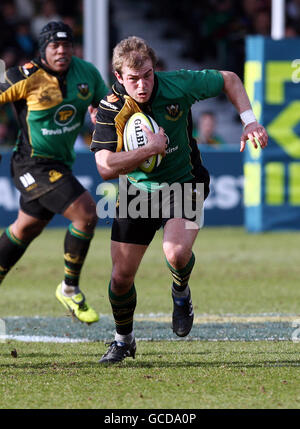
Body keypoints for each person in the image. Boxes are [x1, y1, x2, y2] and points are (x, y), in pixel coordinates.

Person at [91, 36, 268, 364]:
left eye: (147, 75)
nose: (142, 85)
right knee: (120, 277)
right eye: (133, 79)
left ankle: (180, 291)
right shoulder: (111, 108)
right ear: (119, 78)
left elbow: (228, 78)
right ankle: (123, 339)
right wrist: (149, 149)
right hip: (138, 192)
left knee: (176, 253)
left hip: (184, 183)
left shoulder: (178, 85)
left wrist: (250, 121)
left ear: (154, 68)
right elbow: (104, 167)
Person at [0, 21, 108, 324]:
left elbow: (103, 104)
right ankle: (69, 288)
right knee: (86, 213)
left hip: (60, 163)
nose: (61, 51)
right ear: (43, 49)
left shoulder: (86, 73)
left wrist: (100, 113)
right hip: (30, 164)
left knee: (26, 228)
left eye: (66, 45)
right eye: (54, 46)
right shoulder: (25, 77)